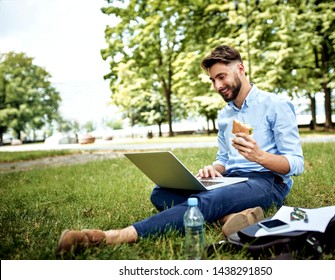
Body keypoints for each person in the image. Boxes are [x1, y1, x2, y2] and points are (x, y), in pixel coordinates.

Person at [57, 45, 304, 254]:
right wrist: (214, 169)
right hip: (231, 180)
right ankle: (229, 217)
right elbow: (223, 159)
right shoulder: (225, 115)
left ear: (240, 69)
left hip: (268, 183)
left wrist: (259, 156)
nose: (217, 86)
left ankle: (112, 236)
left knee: (207, 200)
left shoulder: (277, 105)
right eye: (213, 80)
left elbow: (295, 163)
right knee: (160, 193)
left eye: (221, 77)